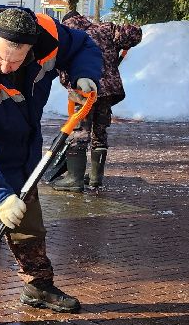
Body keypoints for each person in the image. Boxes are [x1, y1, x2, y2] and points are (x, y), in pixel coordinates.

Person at [0, 4, 103, 325]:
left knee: (29, 227)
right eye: (0, 58)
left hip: (24, 158)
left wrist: (84, 74)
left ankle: (37, 287)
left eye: (15, 61)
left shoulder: (48, 36)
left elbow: (83, 46)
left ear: (32, 48)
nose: (4, 67)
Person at [49, 10, 142, 191]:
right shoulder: (104, 29)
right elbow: (133, 34)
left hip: (83, 90)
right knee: (99, 132)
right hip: (108, 90)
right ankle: (95, 178)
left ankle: (74, 179)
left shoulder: (68, 36)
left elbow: (61, 69)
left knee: (80, 131)